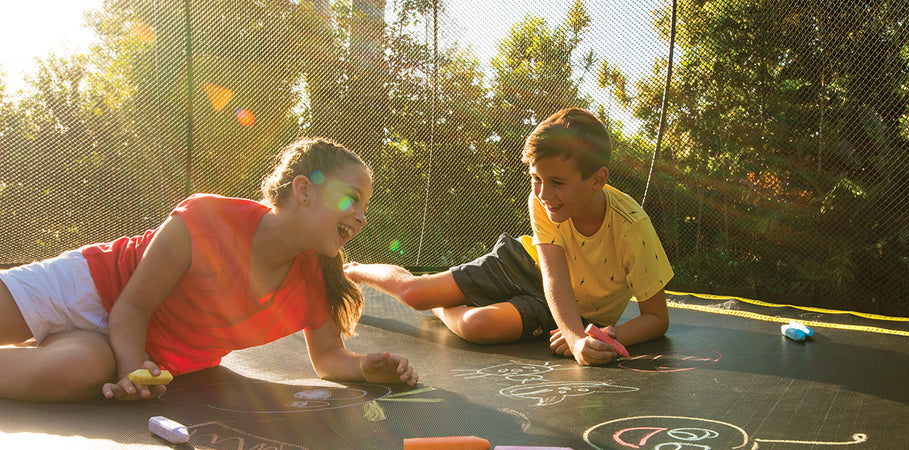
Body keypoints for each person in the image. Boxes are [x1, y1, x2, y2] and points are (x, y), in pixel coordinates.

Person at [0, 137, 418, 402]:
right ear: (304, 191)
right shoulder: (208, 218)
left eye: (365, 206)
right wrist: (132, 369)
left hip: (119, 348)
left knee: (75, 373)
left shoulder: (315, 281)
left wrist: (366, 367)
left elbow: (328, 357)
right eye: (352, 199)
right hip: (91, 286)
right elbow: (133, 307)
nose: (362, 216)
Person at [345, 108, 674, 366]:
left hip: (572, 312)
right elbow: (554, 277)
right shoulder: (544, 201)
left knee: (477, 326)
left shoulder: (632, 228)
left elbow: (657, 318)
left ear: (597, 180)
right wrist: (574, 341)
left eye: (557, 182)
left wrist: (602, 337)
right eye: (536, 178)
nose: (544, 193)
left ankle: (441, 307)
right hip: (523, 263)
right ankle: (352, 270)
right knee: (414, 293)